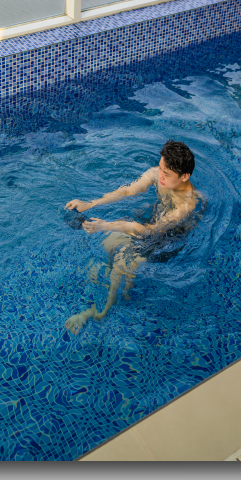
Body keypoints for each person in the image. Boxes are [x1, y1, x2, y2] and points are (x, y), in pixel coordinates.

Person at [63, 140, 200, 334]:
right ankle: (106, 279)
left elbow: (151, 231)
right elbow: (127, 191)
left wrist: (106, 225)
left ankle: (97, 312)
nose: (160, 175)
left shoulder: (186, 205)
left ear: (185, 176)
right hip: (151, 222)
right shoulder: (159, 174)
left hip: (166, 240)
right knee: (109, 243)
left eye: (167, 174)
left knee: (121, 266)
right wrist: (90, 204)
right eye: (160, 168)